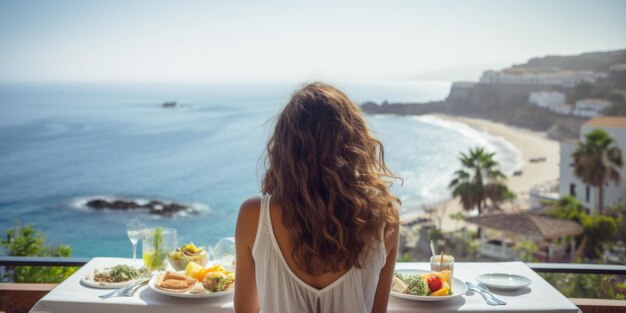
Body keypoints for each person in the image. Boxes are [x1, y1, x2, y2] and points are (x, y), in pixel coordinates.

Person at [234, 82, 400, 313]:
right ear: (355, 145)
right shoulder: (384, 219)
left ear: (284, 149)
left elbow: (245, 310)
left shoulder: (254, 216)